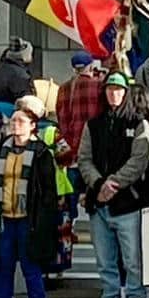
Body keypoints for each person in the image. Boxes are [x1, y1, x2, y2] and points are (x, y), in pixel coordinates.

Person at [77, 71, 149, 298]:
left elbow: (139, 159)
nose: (114, 94)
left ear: (127, 92)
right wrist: (99, 183)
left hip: (127, 201)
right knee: (105, 259)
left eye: (119, 89)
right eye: (110, 89)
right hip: (98, 202)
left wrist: (115, 183)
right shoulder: (93, 124)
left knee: (133, 259)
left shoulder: (139, 123)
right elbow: (84, 158)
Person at [0, 108, 58, 298]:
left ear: (32, 125)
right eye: (13, 120)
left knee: (31, 265)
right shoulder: (3, 148)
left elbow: (48, 190)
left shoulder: (41, 152)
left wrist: (44, 220)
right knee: (4, 265)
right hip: (5, 216)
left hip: (28, 217)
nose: (15, 123)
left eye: (21, 120)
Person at [55, 52, 103, 217]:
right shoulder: (98, 86)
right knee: (93, 188)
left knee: (72, 194)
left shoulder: (63, 88)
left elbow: (61, 118)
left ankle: (70, 226)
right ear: (90, 66)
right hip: (94, 148)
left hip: (72, 148)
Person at [0, 38, 34, 106]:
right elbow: (25, 102)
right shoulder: (20, 75)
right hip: (11, 113)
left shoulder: (0, 68)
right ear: (25, 56)